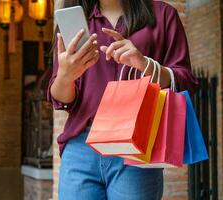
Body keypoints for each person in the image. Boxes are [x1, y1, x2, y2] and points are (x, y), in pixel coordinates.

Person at [47, 0, 198, 199]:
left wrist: (145, 64)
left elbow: (185, 81)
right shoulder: (72, 21)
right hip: (80, 148)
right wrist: (65, 76)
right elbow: (60, 100)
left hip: (137, 147)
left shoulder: (163, 15)